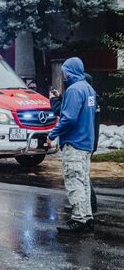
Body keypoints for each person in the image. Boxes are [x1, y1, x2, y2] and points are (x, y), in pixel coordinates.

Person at [48, 57, 98, 234]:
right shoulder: (88, 89)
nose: (64, 74)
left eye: (65, 71)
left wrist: (52, 134)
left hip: (74, 142)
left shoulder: (74, 90)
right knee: (83, 180)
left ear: (69, 71)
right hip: (86, 142)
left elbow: (68, 118)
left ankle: (78, 219)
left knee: (74, 180)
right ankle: (87, 217)